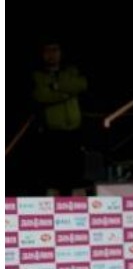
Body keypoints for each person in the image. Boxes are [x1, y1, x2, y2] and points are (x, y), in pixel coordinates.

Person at [31, 39, 88, 195]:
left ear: (61, 52)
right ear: (42, 54)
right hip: (52, 131)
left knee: (76, 170)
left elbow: (82, 84)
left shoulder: (70, 71)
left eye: (55, 50)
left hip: (74, 128)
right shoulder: (38, 75)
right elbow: (42, 95)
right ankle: (53, 205)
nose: (52, 54)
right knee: (53, 172)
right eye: (48, 50)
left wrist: (56, 87)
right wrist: (67, 93)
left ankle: (75, 205)